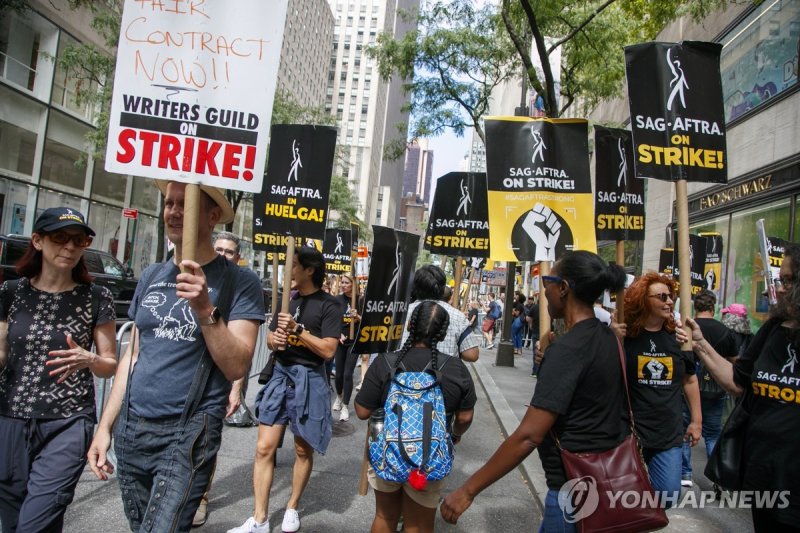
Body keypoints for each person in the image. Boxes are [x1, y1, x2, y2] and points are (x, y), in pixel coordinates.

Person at [87, 181, 265, 532]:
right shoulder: (153, 274)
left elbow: (238, 365)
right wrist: (105, 427)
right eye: (169, 203)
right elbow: (132, 357)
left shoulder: (240, 282)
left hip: (187, 434)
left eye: (185, 204)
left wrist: (203, 307)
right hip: (132, 430)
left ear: (213, 216)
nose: (173, 211)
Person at [440, 251, 628, 530]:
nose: (545, 290)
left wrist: (467, 490)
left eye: (548, 281)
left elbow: (529, 435)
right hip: (609, 481)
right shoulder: (609, 338)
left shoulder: (569, 350)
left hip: (573, 493)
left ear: (563, 288)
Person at [0, 208, 117, 533]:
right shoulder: (12, 292)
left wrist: (89, 360)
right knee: (13, 524)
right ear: (37, 240)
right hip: (9, 419)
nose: (69, 247)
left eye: (79, 240)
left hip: (66, 424)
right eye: (60, 238)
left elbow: (110, 364)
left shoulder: (96, 297)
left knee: (34, 523)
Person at [686, 243, 800, 532]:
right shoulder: (774, 328)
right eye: (781, 280)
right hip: (765, 478)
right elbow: (738, 380)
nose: (781, 289)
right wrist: (700, 344)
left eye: (789, 280)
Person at [231, 246, 342, 533]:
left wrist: (297, 331)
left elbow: (329, 350)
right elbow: (270, 340)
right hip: (280, 377)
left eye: (293, 265)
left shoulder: (330, 305)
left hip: (310, 381)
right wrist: (275, 340)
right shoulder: (286, 302)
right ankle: (259, 518)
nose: (287, 271)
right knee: (264, 448)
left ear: (309, 270)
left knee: (302, 450)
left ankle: (292, 506)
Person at [355, 300, 476, 533]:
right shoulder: (456, 369)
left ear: (409, 325)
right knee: (418, 524)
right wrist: (454, 435)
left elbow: (361, 412)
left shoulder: (386, 362)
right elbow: (464, 418)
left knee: (385, 516)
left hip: (387, 455)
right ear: (442, 333)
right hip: (428, 460)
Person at [621, 272, 701, 506]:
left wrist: (696, 421)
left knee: (668, 494)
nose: (669, 301)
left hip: (668, 431)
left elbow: (690, 380)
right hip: (630, 429)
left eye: (671, 297)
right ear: (643, 299)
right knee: (621, 492)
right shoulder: (626, 337)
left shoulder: (679, 338)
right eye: (662, 296)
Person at [681, 289, 737, 488]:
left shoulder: (685, 329)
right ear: (713, 307)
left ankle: (686, 473)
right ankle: (716, 477)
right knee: (712, 434)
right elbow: (735, 362)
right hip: (716, 389)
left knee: (686, 430)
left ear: (696, 306)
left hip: (687, 388)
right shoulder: (725, 331)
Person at [400, 265, 480, 362]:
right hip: (445, 373)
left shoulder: (400, 313)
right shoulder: (457, 316)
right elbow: (472, 355)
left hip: (400, 371)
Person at [332, 272, 363, 422]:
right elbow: (331, 320)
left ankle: (345, 405)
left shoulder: (360, 300)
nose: (343, 285)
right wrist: (338, 334)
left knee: (347, 374)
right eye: (342, 282)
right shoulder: (337, 300)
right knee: (338, 374)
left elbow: (367, 323)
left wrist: (357, 317)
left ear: (353, 284)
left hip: (354, 341)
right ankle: (338, 396)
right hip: (341, 340)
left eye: (346, 283)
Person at [719, 303, 753, 423]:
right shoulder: (751, 337)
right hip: (744, 381)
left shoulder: (726, 336)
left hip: (727, 379)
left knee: (725, 416)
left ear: (730, 318)